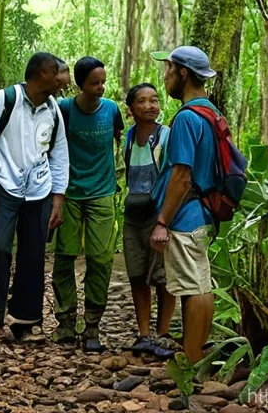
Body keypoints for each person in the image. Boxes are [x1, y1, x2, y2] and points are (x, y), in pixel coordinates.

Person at [0, 52, 69, 343]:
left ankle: (24, 322)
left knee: (32, 255)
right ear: (41, 74)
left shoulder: (53, 109)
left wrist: (58, 198)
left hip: (39, 190)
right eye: (57, 73)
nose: (62, 79)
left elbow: (59, 155)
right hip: (4, 185)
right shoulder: (5, 99)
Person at [148, 46, 219, 365]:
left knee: (193, 289)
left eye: (168, 70)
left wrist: (163, 221)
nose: (165, 76)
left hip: (185, 216)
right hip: (201, 214)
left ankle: (191, 363)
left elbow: (181, 175)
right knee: (200, 285)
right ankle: (196, 355)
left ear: (183, 73)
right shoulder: (211, 113)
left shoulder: (188, 118)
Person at [52, 56, 124, 352]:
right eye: (94, 83)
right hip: (69, 193)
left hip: (102, 192)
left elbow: (119, 138)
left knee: (101, 258)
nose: (101, 88)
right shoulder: (65, 109)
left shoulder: (111, 110)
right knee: (65, 256)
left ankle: (92, 323)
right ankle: (66, 322)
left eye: (103, 82)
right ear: (80, 84)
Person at [121, 83, 176, 359]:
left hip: (158, 215)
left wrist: (165, 220)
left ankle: (163, 333)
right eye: (142, 101)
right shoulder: (128, 139)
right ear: (130, 110)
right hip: (133, 215)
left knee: (164, 277)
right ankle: (144, 334)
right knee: (137, 275)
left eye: (154, 100)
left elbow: (174, 176)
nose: (150, 106)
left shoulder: (166, 136)